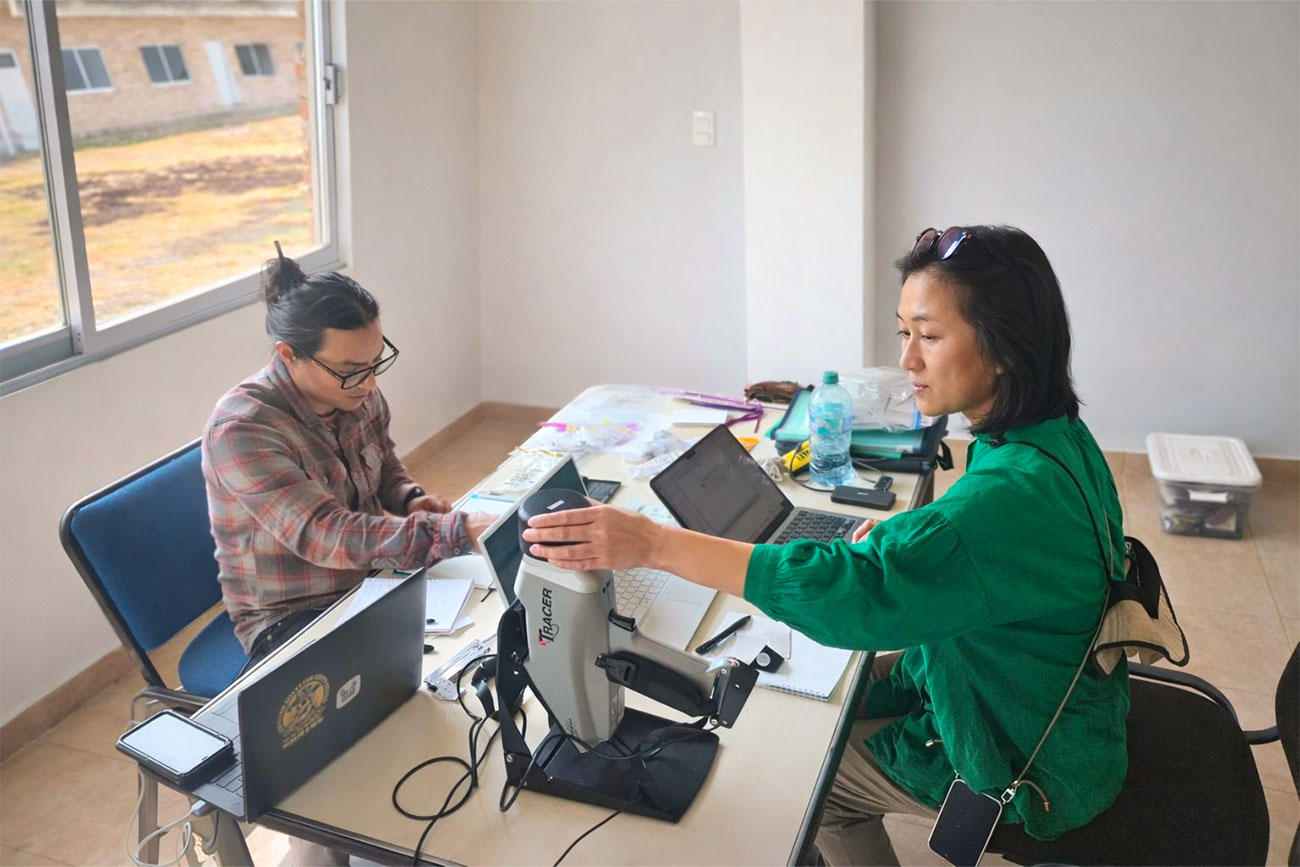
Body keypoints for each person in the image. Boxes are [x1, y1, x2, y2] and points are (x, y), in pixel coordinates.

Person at [521, 225, 1130, 864]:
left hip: (1032, 762)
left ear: (1006, 347)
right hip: (1041, 696)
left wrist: (650, 543)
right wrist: (908, 539)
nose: (908, 361)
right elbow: (990, 549)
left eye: (929, 335)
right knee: (823, 700)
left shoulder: (1000, 500)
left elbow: (849, 598)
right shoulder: (1054, 442)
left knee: (808, 783)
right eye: (904, 333)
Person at [202, 245, 494, 667]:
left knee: (484, 635)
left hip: (370, 579)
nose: (370, 381)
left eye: (376, 361)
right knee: (412, 689)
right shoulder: (243, 430)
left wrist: (408, 497)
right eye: (353, 368)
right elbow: (326, 534)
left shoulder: (353, 388)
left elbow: (383, 462)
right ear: (289, 355)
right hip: (291, 614)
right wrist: (455, 529)